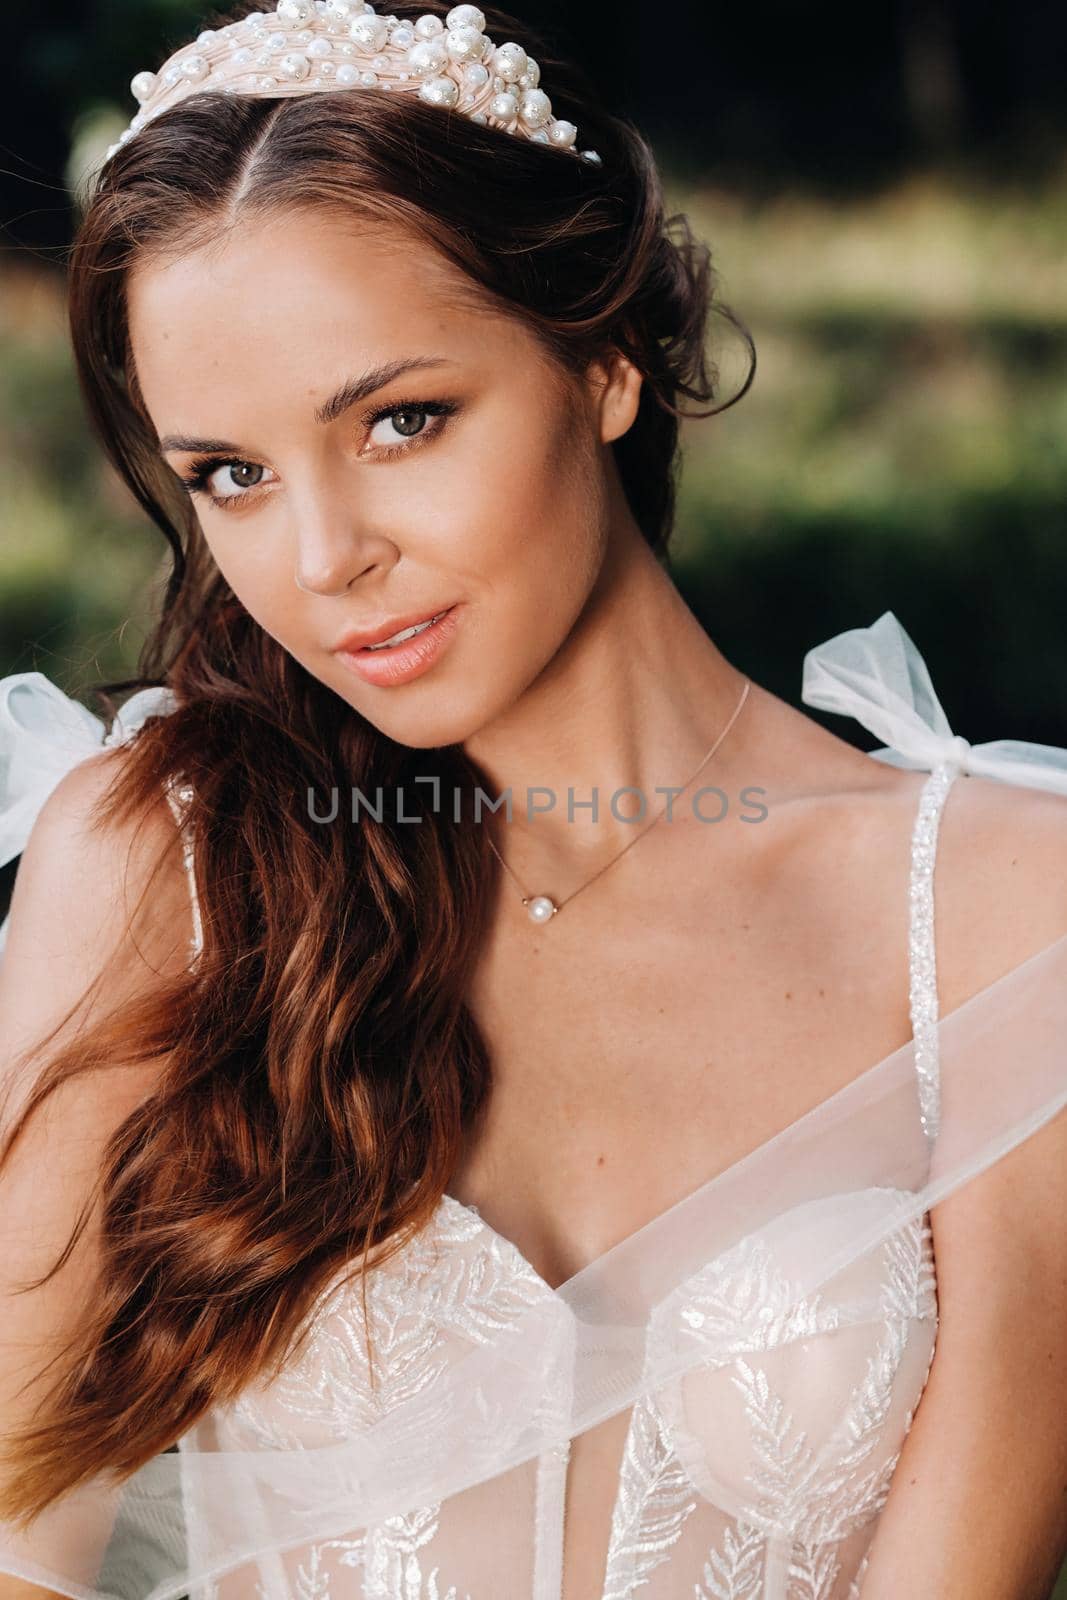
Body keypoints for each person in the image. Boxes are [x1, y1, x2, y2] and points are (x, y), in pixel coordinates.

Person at [2, 3, 1067, 1597]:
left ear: (606, 360)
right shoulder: (174, 869)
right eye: (233, 474)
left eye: (400, 420)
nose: (322, 558)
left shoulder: (1001, 916)